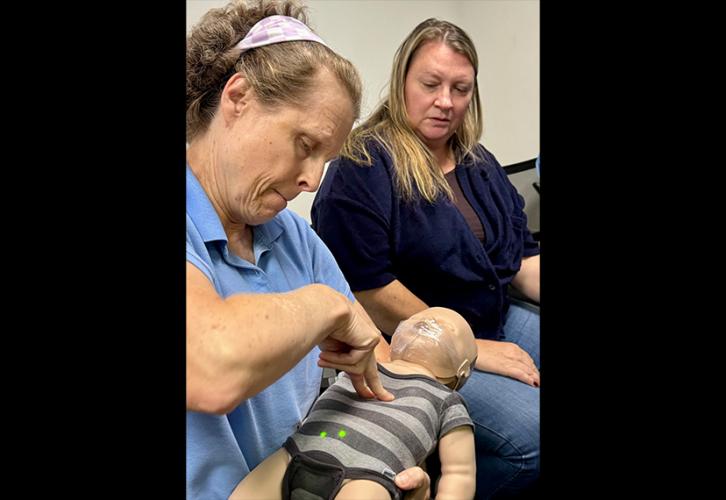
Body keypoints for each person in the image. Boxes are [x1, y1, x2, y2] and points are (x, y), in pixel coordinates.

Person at [186, 2, 429, 498]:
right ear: (240, 97)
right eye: (304, 144)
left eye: (326, 159)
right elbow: (209, 367)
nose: (312, 181)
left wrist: (390, 462)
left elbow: (376, 377)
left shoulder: (294, 239)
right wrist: (329, 305)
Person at [311, 18, 540, 499]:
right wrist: (475, 348)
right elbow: (369, 291)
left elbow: (521, 258)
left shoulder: (477, 160)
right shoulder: (363, 166)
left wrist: (486, 338)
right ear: (402, 83)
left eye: (460, 88)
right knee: (534, 438)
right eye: (431, 84)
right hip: (414, 350)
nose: (446, 102)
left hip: (493, 317)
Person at [230, 307, 478, 500]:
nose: (427, 324)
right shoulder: (362, 363)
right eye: (420, 319)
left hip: (366, 477)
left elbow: (459, 473)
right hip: (295, 452)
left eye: (443, 326)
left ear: (462, 370)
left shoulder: (447, 400)